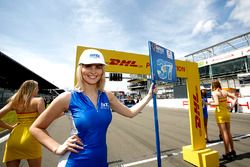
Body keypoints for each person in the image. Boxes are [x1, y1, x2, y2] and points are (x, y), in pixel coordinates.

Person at [30, 49, 157, 167]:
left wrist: (150, 96)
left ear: (102, 71)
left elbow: (130, 113)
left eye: (98, 67)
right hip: (75, 162)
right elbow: (36, 128)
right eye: (88, 66)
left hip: (101, 160)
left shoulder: (107, 96)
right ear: (81, 69)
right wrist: (57, 148)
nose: (93, 71)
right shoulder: (67, 97)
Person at [0, 80, 45, 167]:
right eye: (37, 87)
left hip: (14, 139)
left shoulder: (14, 102)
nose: (38, 89)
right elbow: (44, 121)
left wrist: (10, 127)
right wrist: (59, 113)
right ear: (33, 89)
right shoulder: (39, 100)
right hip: (31, 138)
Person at [207, 80, 237, 160]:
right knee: (228, 132)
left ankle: (227, 152)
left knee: (224, 133)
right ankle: (233, 150)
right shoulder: (224, 92)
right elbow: (235, 97)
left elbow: (216, 103)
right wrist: (231, 107)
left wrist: (208, 103)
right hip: (227, 113)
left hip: (220, 114)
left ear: (213, 86)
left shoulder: (214, 93)